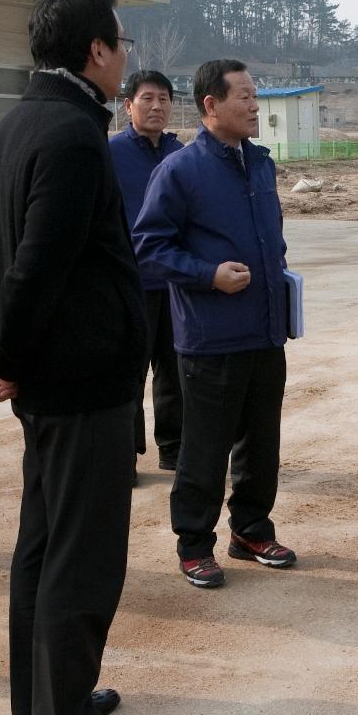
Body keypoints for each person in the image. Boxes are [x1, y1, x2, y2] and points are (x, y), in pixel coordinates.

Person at [0, 0, 158, 715]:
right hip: (83, 385)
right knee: (82, 554)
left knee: (42, 546)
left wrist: (5, 357)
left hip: (48, 383)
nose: (125, 60)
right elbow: (35, 268)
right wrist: (7, 358)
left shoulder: (12, 126)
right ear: (97, 51)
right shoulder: (76, 138)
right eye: (121, 44)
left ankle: (37, 699)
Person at [132, 59, 296, 589]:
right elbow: (148, 248)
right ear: (211, 105)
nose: (254, 106)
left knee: (261, 442)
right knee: (205, 448)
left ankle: (250, 529)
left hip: (266, 330)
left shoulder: (261, 163)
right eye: (244, 96)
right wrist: (208, 275)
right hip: (212, 336)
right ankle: (194, 543)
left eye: (255, 96)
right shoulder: (180, 170)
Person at [109, 69, 184, 479]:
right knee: (130, 372)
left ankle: (173, 449)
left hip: (175, 282)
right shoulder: (111, 154)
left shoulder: (180, 153)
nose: (157, 106)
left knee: (174, 369)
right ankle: (125, 455)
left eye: (164, 99)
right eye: (147, 98)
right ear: (128, 105)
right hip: (131, 283)